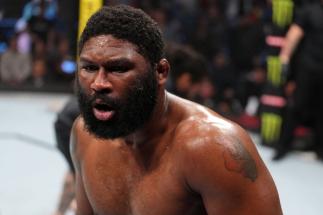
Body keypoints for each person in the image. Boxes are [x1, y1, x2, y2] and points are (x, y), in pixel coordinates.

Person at [71, 5, 282, 214]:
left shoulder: (214, 148)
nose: (98, 83)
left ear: (161, 72)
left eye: (118, 68)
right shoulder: (84, 135)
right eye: (89, 67)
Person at [272, 0, 323, 161]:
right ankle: (283, 146)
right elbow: (294, 34)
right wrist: (285, 57)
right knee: (296, 106)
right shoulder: (310, 10)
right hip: (308, 66)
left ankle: (319, 149)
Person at [53, 96, 80, 215]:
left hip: (63, 124)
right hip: (67, 127)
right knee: (77, 172)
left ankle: (61, 210)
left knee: (74, 170)